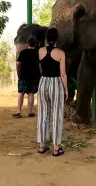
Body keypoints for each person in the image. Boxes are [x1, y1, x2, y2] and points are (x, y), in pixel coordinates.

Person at [37, 28, 68, 157]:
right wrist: (66, 89)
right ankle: (56, 147)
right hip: (55, 84)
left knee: (43, 114)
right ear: (56, 39)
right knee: (56, 114)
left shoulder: (40, 51)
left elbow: (40, 67)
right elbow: (62, 74)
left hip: (43, 82)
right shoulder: (61, 53)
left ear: (46, 38)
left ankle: (42, 146)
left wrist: (44, 78)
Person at [13, 37, 41, 118]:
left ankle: (18, 111)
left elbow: (18, 63)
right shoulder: (37, 53)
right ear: (35, 44)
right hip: (34, 76)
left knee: (21, 93)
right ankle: (30, 111)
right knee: (31, 93)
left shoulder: (23, 52)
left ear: (28, 44)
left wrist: (19, 71)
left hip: (23, 76)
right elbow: (39, 66)